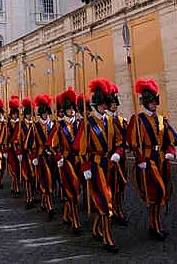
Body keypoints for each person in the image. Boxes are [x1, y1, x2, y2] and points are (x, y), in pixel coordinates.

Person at [74, 78, 124, 253]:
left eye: (105, 104)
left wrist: (118, 153)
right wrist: (85, 167)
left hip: (109, 164)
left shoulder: (111, 122)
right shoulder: (86, 123)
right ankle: (107, 237)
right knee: (105, 200)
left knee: (105, 198)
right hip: (95, 166)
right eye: (101, 104)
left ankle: (97, 228)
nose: (104, 107)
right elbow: (80, 150)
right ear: (95, 105)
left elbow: (119, 142)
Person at [127, 78, 177, 241]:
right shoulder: (138, 120)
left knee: (160, 193)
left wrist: (170, 150)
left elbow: (171, 139)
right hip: (148, 160)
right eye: (151, 103)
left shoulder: (162, 119)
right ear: (145, 103)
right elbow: (132, 142)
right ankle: (155, 225)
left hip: (161, 159)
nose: (154, 105)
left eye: (155, 102)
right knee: (157, 192)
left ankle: (153, 223)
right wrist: (140, 158)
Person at [47, 86, 82, 234]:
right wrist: (58, 157)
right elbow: (52, 145)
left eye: (73, 108)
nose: (71, 111)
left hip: (79, 161)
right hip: (66, 161)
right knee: (70, 190)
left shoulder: (80, 124)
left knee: (77, 189)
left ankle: (68, 214)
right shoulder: (59, 126)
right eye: (68, 109)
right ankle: (75, 220)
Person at [107, 83, 128, 227]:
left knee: (121, 185)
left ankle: (119, 207)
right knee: (111, 185)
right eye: (112, 104)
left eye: (115, 104)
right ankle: (112, 209)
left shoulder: (120, 120)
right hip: (109, 157)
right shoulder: (105, 121)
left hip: (121, 157)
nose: (114, 106)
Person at [32, 94, 56, 218]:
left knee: (53, 179)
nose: (46, 115)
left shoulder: (52, 125)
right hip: (41, 156)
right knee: (46, 180)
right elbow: (31, 143)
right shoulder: (35, 126)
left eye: (47, 113)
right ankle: (49, 204)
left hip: (51, 156)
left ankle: (43, 201)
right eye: (44, 113)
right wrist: (34, 156)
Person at [19, 97, 38, 208]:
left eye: (31, 114)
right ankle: (28, 198)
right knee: (27, 177)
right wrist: (19, 152)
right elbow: (19, 139)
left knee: (35, 177)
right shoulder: (21, 126)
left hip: (35, 154)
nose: (30, 116)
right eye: (28, 114)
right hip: (26, 154)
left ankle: (34, 196)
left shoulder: (35, 125)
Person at [6, 96, 22, 197]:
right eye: (14, 114)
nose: (15, 116)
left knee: (19, 170)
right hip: (11, 149)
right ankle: (15, 188)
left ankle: (14, 186)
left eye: (16, 114)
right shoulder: (7, 125)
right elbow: (5, 138)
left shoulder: (20, 124)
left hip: (19, 149)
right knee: (14, 169)